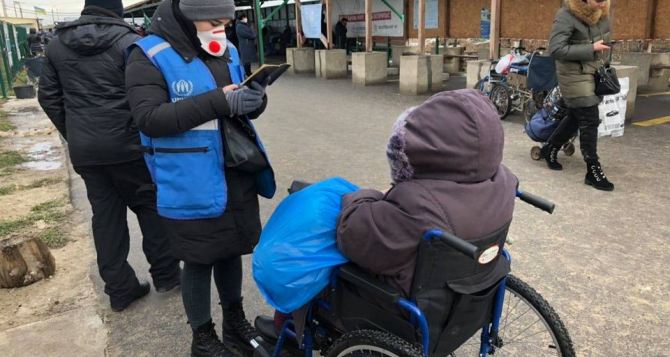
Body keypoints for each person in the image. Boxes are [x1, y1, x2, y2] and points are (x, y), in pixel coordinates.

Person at [255, 89, 517, 338]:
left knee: (319, 261)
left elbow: (351, 232)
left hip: (401, 306)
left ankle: (288, 329)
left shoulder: (419, 204)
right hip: (467, 292)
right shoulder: (503, 181)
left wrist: (374, 195)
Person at [125, 0, 276, 356]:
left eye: (227, 20)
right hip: (189, 178)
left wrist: (255, 100)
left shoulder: (228, 49)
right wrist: (218, 102)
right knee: (198, 258)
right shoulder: (147, 55)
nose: (220, 28)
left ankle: (234, 322)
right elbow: (150, 119)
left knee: (229, 251)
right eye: (213, 20)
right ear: (186, 16)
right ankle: (203, 338)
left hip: (234, 169)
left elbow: (237, 100)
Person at [38, 0, 180, 312]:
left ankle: (120, 290)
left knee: (106, 218)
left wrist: (74, 131)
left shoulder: (57, 46)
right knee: (150, 207)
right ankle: (167, 275)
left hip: (88, 151)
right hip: (132, 146)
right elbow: (149, 94)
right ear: (116, 11)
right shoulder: (131, 43)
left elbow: (47, 96)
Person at [546, 0, 614, 191]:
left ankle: (550, 148)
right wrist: (591, 48)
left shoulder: (603, 13)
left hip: (594, 73)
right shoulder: (566, 15)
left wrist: (604, 64)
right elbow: (556, 49)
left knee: (577, 117)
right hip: (573, 75)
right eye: (598, 0)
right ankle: (593, 169)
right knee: (590, 119)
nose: (602, 3)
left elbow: (604, 43)